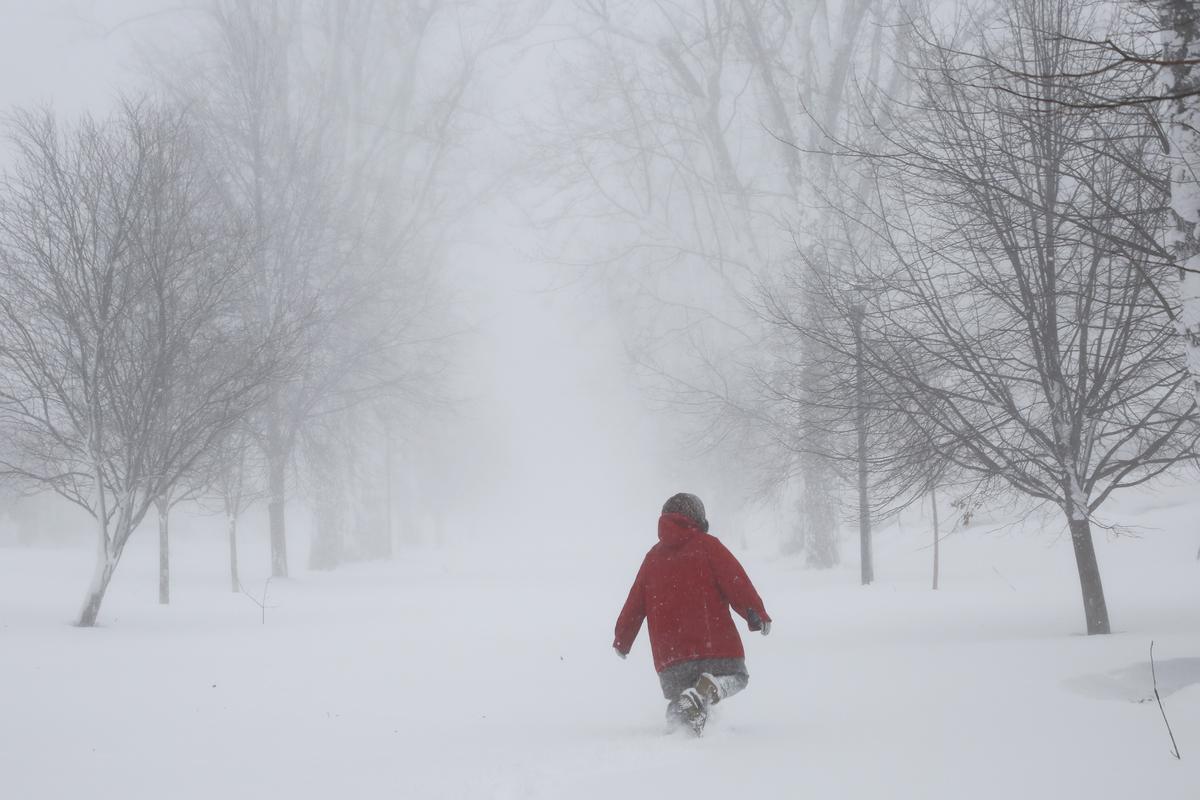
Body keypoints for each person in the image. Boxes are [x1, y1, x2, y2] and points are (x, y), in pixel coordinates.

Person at [612, 493, 771, 735]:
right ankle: (709, 689)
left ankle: (680, 726)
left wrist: (623, 639)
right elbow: (735, 581)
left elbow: (634, 603)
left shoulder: (652, 558)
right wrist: (755, 612)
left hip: (671, 657)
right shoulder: (708, 546)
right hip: (713, 645)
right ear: (697, 518)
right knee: (737, 677)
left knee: (681, 697)